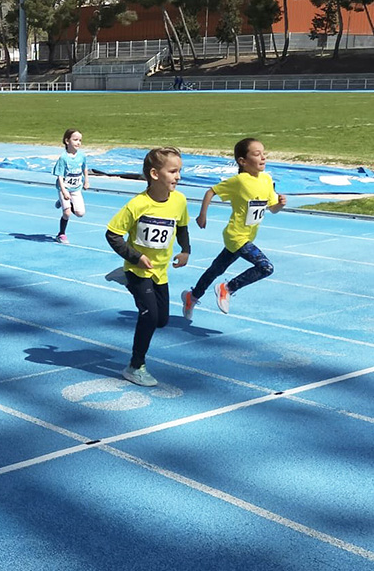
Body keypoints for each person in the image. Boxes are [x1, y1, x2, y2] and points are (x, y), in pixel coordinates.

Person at [106, 147, 191, 387]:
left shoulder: (179, 200)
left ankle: (125, 277)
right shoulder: (137, 205)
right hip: (138, 269)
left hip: (160, 271)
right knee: (149, 316)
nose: (178, 176)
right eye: (173, 171)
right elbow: (113, 234)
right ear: (154, 174)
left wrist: (185, 250)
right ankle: (135, 366)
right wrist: (135, 257)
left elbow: (182, 227)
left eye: (179, 171)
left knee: (162, 320)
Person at [181, 137, 286, 318]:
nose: (263, 157)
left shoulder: (267, 179)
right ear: (243, 161)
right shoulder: (239, 181)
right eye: (257, 154)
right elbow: (211, 191)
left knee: (216, 269)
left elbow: (272, 208)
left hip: (248, 236)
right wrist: (202, 215)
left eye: (264, 153)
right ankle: (227, 288)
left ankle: (192, 296)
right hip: (236, 236)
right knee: (265, 267)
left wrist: (280, 205)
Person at [52, 128, 90, 244]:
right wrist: (64, 191)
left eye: (80, 140)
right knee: (67, 213)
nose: (78, 142)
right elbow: (59, 176)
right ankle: (61, 234)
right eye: (75, 140)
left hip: (76, 189)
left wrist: (86, 181)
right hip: (64, 188)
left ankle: (63, 202)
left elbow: (84, 168)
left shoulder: (81, 156)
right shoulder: (63, 158)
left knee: (80, 213)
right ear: (67, 141)